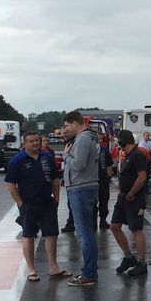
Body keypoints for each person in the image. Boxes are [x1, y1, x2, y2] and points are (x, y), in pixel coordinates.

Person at [5, 131, 68, 282]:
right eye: (31, 141)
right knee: (29, 236)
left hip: (47, 203)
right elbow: (11, 184)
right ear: (24, 144)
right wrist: (20, 204)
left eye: (37, 141)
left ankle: (53, 267)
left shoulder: (47, 158)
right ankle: (32, 270)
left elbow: (55, 179)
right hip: (28, 204)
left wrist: (57, 199)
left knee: (52, 234)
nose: (35, 144)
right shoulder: (16, 161)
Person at [61, 111, 101, 287]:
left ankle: (89, 273)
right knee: (87, 232)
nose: (65, 129)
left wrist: (66, 155)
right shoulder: (87, 138)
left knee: (84, 233)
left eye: (67, 125)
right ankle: (89, 271)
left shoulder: (83, 139)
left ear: (76, 123)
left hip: (81, 189)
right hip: (84, 187)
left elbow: (78, 165)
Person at [111, 129, 150, 277]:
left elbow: (142, 177)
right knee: (114, 226)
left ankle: (141, 263)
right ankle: (128, 257)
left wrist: (131, 193)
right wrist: (122, 191)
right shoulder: (128, 155)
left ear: (123, 141)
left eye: (118, 141)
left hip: (134, 199)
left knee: (136, 229)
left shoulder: (137, 155)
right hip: (123, 198)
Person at [93, 135, 114, 230]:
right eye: (98, 139)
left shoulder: (105, 151)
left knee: (104, 201)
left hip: (103, 180)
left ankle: (103, 221)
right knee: (92, 202)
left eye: (101, 139)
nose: (100, 141)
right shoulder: (90, 150)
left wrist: (108, 177)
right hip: (92, 180)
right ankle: (93, 222)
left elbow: (109, 165)